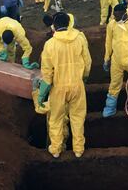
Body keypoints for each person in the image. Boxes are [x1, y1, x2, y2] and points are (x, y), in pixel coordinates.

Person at [39, 12, 91, 158]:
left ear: (54, 26)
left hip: (58, 87)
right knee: (78, 117)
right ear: (69, 24)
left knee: (56, 119)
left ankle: (55, 149)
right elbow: (87, 62)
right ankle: (79, 149)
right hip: (77, 85)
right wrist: (84, 77)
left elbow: (47, 72)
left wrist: (43, 92)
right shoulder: (79, 39)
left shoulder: (50, 44)